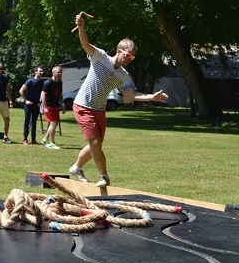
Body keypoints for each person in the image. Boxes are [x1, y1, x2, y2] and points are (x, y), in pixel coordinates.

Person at [70, 13, 168, 187]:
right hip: (83, 105)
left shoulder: (123, 75)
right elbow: (86, 44)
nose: (130, 59)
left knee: (97, 145)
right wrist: (82, 28)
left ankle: (76, 168)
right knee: (94, 143)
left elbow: (132, 95)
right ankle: (104, 176)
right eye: (128, 55)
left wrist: (152, 97)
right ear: (119, 51)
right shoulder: (100, 57)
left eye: (133, 57)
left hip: (99, 109)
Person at [40, 66, 66, 150]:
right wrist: (45, 107)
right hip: (49, 105)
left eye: (61, 72)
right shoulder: (48, 82)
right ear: (53, 73)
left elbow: (60, 94)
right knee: (53, 123)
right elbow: (43, 94)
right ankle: (51, 142)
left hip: (55, 105)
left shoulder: (60, 82)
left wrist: (63, 104)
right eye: (58, 72)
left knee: (55, 123)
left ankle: (45, 139)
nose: (60, 74)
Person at [19, 66, 44, 145]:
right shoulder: (30, 81)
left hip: (36, 105)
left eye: (42, 71)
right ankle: (25, 139)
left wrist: (40, 102)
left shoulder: (42, 82)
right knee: (27, 121)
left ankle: (33, 139)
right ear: (35, 72)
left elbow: (43, 94)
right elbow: (21, 91)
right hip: (29, 105)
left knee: (34, 122)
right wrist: (26, 101)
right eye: (40, 71)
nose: (42, 73)